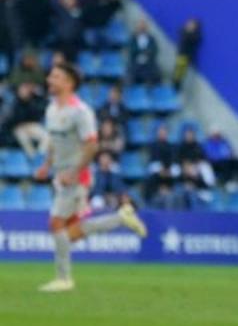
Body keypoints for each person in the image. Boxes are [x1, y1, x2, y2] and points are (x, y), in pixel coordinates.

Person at [33, 62, 147, 292]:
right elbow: (54, 142)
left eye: (55, 77)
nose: (49, 80)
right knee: (71, 233)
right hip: (61, 175)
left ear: (69, 83)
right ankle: (120, 218)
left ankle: (64, 279)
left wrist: (73, 172)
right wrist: (46, 165)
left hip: (77, 177)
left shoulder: (80, 111)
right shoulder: (51, 109)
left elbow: (92, 146)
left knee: (55, 223)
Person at [172, 18, 202, 90]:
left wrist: (189, 32)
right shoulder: (184, 31)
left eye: (191, 24)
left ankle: (177, 87)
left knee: (180, 73)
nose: (189, 25)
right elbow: (180, 31)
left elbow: (193, 39)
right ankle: (175, 86)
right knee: (177, 73)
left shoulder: (196, 35)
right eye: (188, 24)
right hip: (181, 55)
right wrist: (187, 31)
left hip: (187, 57)